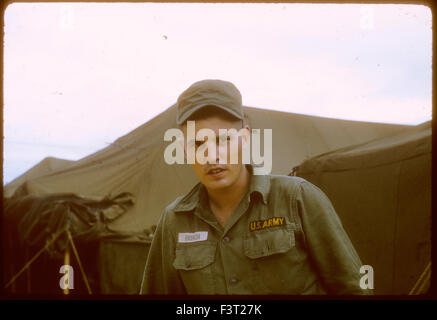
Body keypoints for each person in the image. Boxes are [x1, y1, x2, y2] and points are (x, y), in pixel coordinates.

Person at [140, 79, 370, 295]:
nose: (212, 155)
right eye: (197, 143)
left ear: (245, 138)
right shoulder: (175, 221)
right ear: (183, 149)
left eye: (224, 140)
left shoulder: (296, 198)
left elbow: (354, 288)